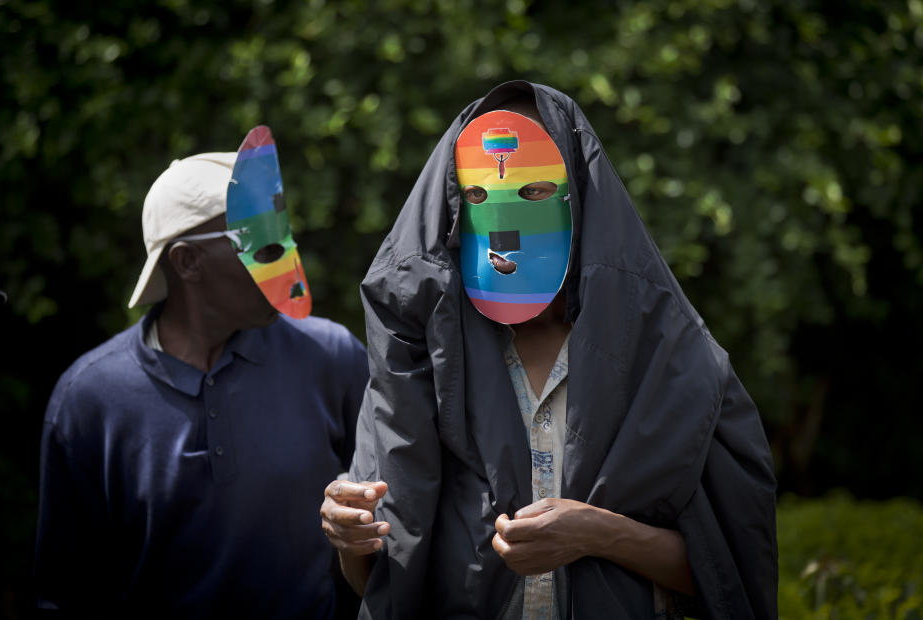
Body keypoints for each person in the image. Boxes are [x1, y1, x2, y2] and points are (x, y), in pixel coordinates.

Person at [320, 81, 777, 618]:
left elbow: (734, 573)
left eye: (534, 192)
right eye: (478, 195)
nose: (507, 223)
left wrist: (601, 534)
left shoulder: (672, 362)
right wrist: (351, 538)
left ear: (578, 193)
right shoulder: (418, 363)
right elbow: (379, 582)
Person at [35, 152, 369, 618]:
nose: (285, 256)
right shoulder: (90, 399)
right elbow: (67, 591)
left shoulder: (331, 357)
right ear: (187, 262)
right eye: (258, 241)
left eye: (282, 233)